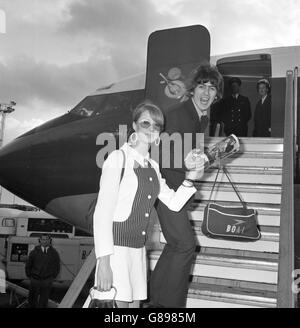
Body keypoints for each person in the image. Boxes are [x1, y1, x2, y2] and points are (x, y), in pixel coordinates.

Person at [93, 101, 205, 308]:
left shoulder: (152, 166)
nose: (151, 129)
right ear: (134, 126)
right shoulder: (118, 158)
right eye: (146, 123)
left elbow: (173, 203)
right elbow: (101, 214)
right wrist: (104, 263)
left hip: (138, 252)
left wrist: (191, 177)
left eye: (157, 126)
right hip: (115, 253)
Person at [149, 64, 224, 308]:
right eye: (202, 86)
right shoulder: (180, 114)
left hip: (176, 189)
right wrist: (187, 161)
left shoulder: (200, 118)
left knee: (176, 246)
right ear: (192, 89)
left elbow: (186, 153)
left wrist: (203, 159)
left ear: (217, 94)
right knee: (185, 246)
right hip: (166, 189)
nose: (206, 92)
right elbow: (157, 151)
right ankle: (169, 306)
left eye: (212, 88)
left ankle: (155, 299)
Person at [25, 234, 60, 308]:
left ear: (50, 241)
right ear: (40, 240)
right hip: (35, 280)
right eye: (43, 239)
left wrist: (52, 277)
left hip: (47, 281)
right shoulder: (34, 252)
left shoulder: (54, 253)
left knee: (43, 302)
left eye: (47, 239)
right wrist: (30, 276)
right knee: (32, 300)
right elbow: (28, 265)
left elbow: (57, 266)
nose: (45, 241)